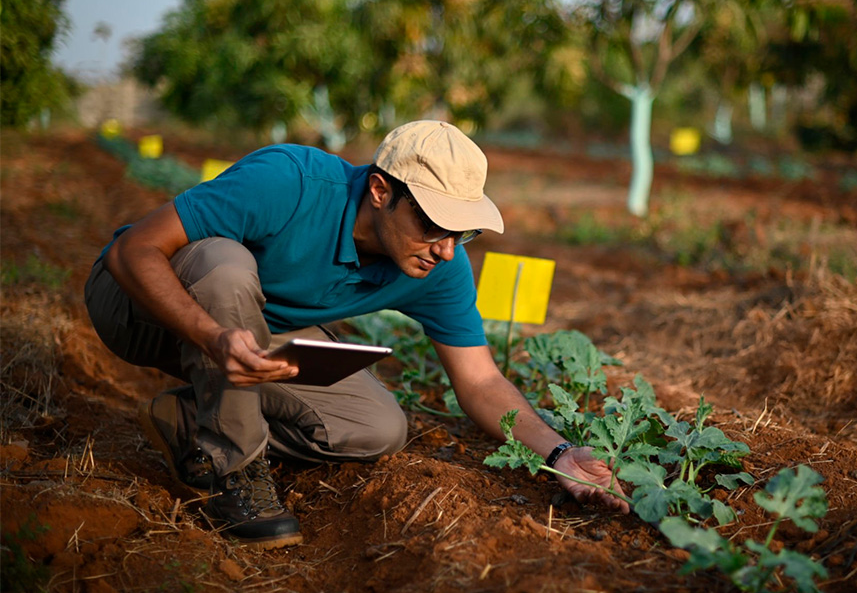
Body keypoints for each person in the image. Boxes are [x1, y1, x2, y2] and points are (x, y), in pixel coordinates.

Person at [84, 120, 627, 550]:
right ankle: (236, 471)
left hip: (249, 330)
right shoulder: (289, 182)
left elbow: (480, 380)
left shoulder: (438, 265)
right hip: (138, 306)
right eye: (433, 224)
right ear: (380, 190)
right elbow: (133, 250)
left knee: (377, 426)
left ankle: (187, 420)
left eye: (462, 232)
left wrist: (558, 453)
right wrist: (210, 336)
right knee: (225, 264)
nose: (445, 248)